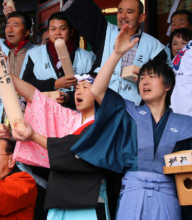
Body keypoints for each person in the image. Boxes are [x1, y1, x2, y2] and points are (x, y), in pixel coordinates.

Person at [68, 24, 192, 220]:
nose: (144, 82)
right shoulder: (129, 112)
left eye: (152, 77)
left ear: (167, 85)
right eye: (141, 78)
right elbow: (98, 91)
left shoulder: (186, 124)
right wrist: (117, 53)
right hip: (131, 194)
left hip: (169, 197)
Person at [0, 69, 110, 219]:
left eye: (85, 87)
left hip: (89, 195)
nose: (79, 91)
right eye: (77, 87)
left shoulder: (104, 124)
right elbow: (36, 97)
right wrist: (5, 72)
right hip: (61, 194)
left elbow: (69, 149)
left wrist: (34, 136)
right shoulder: (69, 118)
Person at [61, 0, 168, 105]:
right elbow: (88, 14)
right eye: (120, 11)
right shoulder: (105, 32)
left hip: (135, 104)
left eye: (129, 12)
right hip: (102, 100)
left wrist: (145, 77)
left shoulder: (153, 45)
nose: (123, 16)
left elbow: (163, 77)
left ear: (141, 17)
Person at [20, 12, 95, 107]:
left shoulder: (87, 57)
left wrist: (69, 97)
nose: (57, 33)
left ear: (71, 31)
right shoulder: (35, 54)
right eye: (53, 29)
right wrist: (54, 84)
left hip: (74, 115)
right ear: (48, 32)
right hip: (43, 112)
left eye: (62, 29)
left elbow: (92, 89)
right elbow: (26, 83)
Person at [0, 11, 37, 124]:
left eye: (15, 25)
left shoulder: (37, 52)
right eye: (7, 25)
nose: (10, 29)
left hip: (26, 115)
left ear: (27, 32)